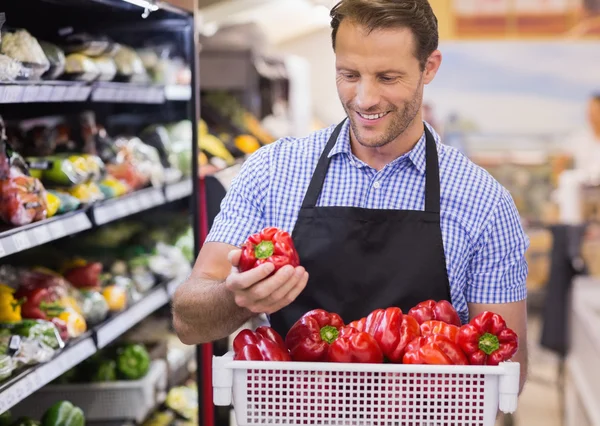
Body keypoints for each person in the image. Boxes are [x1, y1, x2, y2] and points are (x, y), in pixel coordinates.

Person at [172, 0, 529, 391]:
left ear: (429, 67)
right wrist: (236, 297)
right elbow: (188, 321)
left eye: (388, 77)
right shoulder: (272, 172)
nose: (364, 98)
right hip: (292, 415)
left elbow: (506, 374)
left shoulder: (484, 203)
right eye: (349, 74)